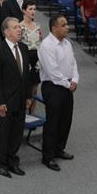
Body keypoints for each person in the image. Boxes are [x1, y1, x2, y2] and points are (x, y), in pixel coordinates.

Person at [0, 17, 34, 178]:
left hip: (21, 99)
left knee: (17, 132)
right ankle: (1, 163)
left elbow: (26, 75)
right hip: (6, 101)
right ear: (6, 32)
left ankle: (12, 160)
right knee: (4, 133)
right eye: (15, 27)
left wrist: (28, 96)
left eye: (19, 27)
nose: (19, 30)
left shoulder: (23, 47)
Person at [38, 15, 78, 172]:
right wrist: (69, 84)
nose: (67, 27)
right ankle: (48, 157)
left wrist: (75, 79)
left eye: (67, 24)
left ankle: (59, 149)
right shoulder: (46, 45)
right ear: (54, 28)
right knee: (53, 123)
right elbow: (52, 72)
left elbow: (73, 64)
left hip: (67, 85)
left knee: (65, 119)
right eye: (63, 25)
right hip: (52, 87)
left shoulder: (67, 43)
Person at [20, 0, 43, 83]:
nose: (33, 11)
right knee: (26, 85)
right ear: (24, 10)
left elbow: (40, 41)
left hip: (37, 58)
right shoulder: (19, 26)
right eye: (30, 9)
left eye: (34, 9)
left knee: (35, 84)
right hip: (26, 57)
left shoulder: (38, 26)